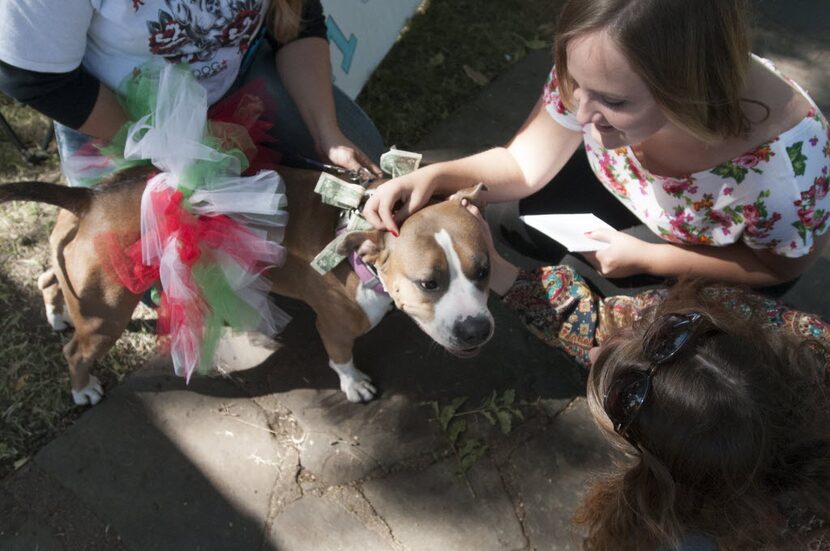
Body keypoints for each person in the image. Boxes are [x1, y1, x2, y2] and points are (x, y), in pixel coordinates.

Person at [363, 0, 830, 296]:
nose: (580, 114)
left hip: (708, 252)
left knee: (617, 318)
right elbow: (523, 164)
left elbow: (775, 268)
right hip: (633, 200)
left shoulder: (785, 172)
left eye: (613, 101)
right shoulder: (597, 67)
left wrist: (650, 258)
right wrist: (434, 176)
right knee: (510, 217)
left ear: (689, 88)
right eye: (574, 82)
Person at [459, 196, 830, 550]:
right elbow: (602, 328)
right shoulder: (806, 337)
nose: (596, 350)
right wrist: (497, 267)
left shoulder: (680, 528)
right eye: (669, 330)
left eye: (624, 399)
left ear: (668, 473)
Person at [0, 0, 384, 185]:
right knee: (162, 269)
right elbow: (37, 79)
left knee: (367, 166)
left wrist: (327, 133)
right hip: (120, 114)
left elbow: (298, 21)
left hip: (241, 76)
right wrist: (172, 141)